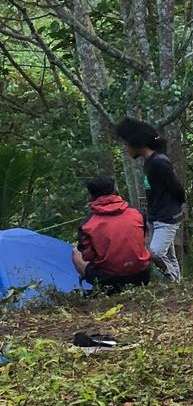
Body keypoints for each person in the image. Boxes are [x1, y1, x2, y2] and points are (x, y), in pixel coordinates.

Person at [113, 118, 186, 282]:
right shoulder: (150, 162)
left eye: (126, 144)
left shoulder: (159, 162)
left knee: (155, 253)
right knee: (168, 255)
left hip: (167, 218)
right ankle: (177, 285)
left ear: (136, 143)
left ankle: (172, 281)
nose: (125, 148)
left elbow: (178, 190)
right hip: (156, 218)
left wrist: (173, 209)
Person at [72, 176, 151, 290]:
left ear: (91, 197)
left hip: (108, 279)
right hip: (141, 275)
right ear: (116, 192)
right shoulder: (137, 214)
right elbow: (143, 241)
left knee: (76, 253)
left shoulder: (87, 224)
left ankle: (100, 288)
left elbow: (88, 256)